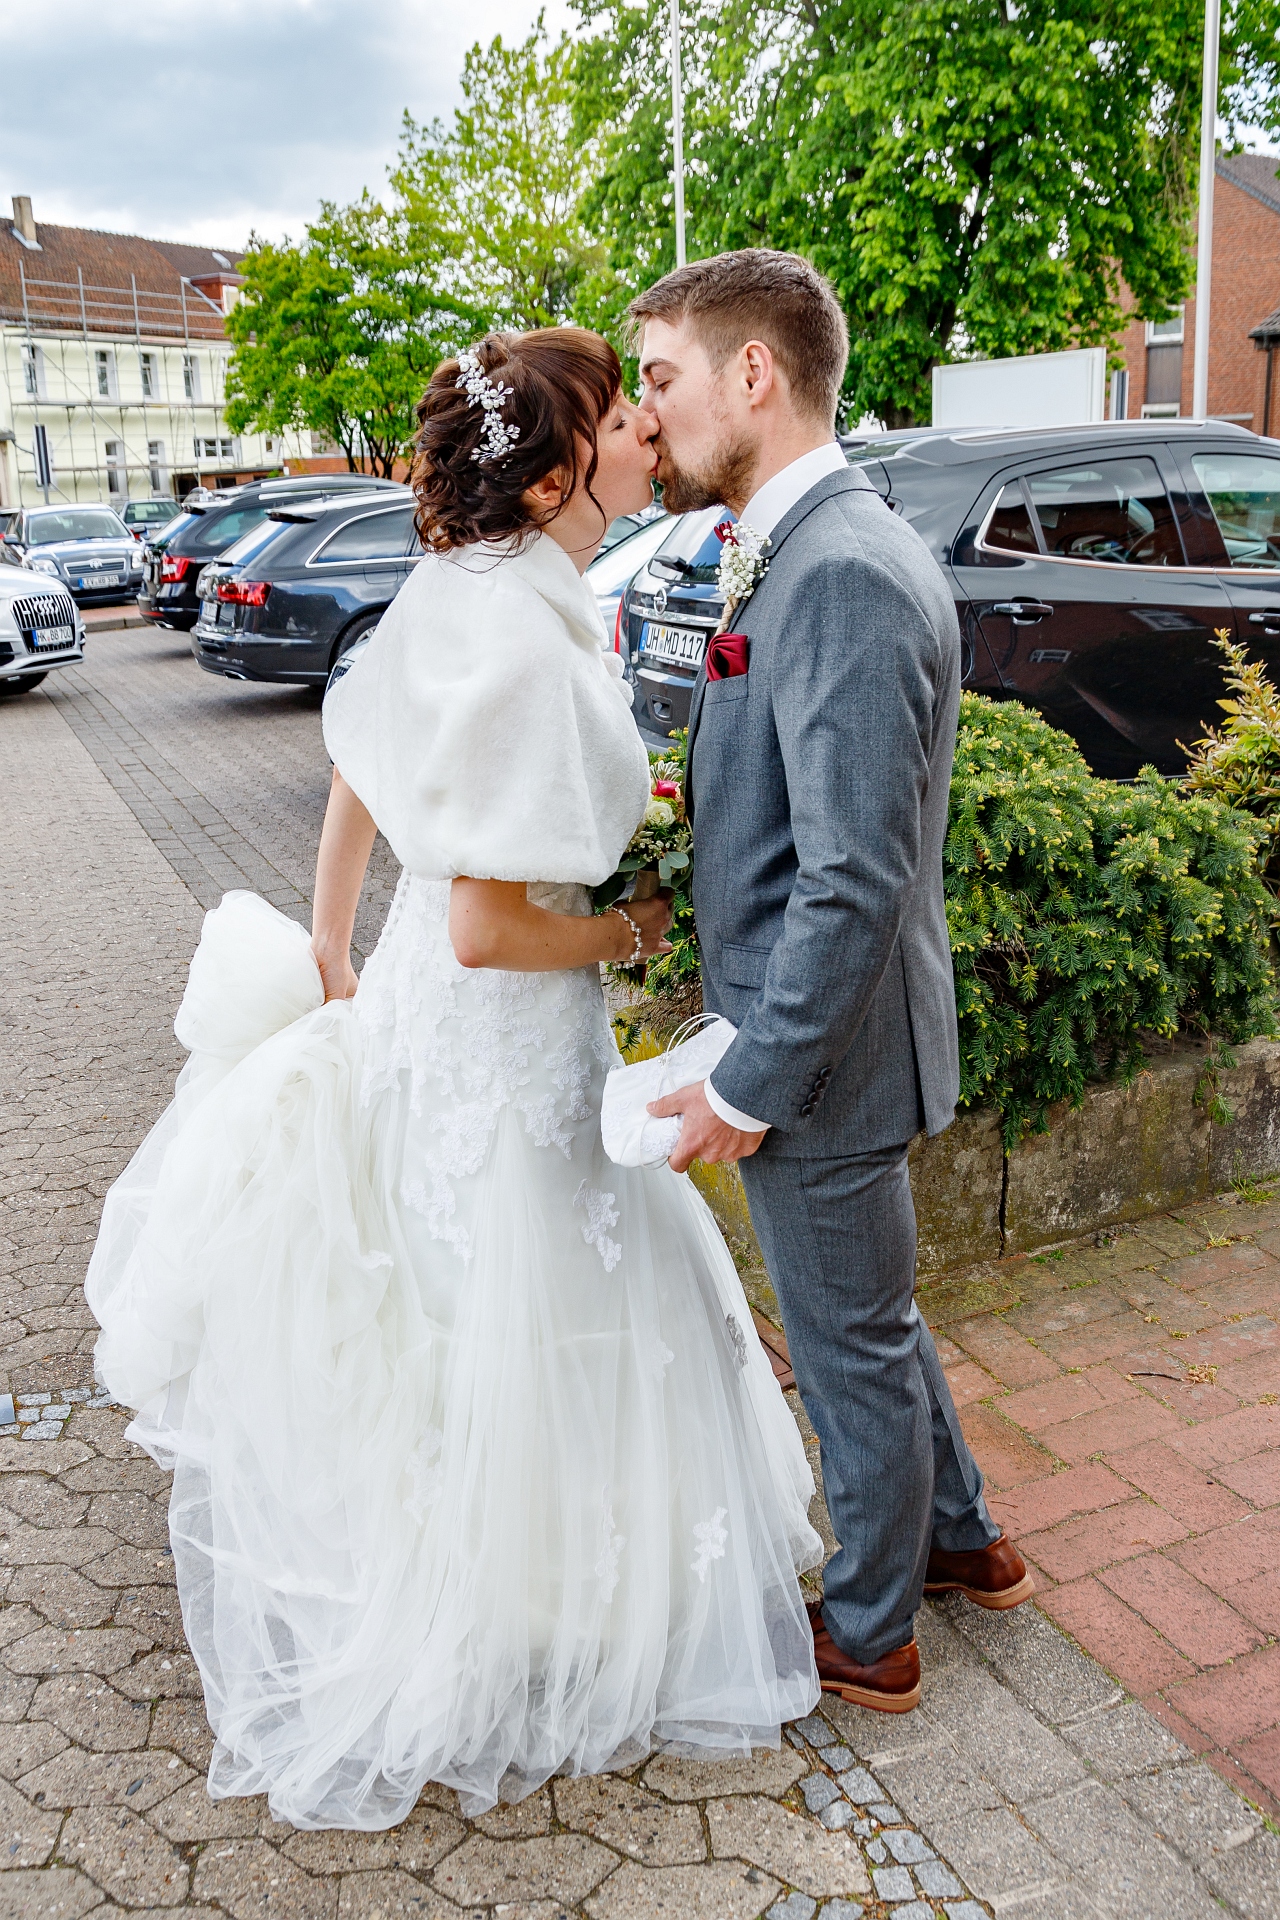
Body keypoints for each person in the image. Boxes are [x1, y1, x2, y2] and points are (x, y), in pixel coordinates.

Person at [85, 327, 822, 1831]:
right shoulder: (521, 647)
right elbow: (490, 929)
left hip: (430, 1016)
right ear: (554, 480)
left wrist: (336, 941)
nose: (646, 434)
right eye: (620, 419)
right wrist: (637, 928)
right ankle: (530, 1607)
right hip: (503, 1028)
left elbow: (360, 763)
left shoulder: (464, 584)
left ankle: (494, 1570)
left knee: (450, 1295)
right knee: (527, 1297)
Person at [637, 251, 1033, 1714]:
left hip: (824, 1058)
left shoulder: (842, 571)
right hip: (833, 1041)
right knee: (876, 1319)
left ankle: (872, 1632)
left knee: (848, 1345)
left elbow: (853, 877)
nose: (649, 413)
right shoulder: (809, 545)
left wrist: (750, 1084)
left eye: (663, 377)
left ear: (754, 374)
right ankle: (965, 1541)